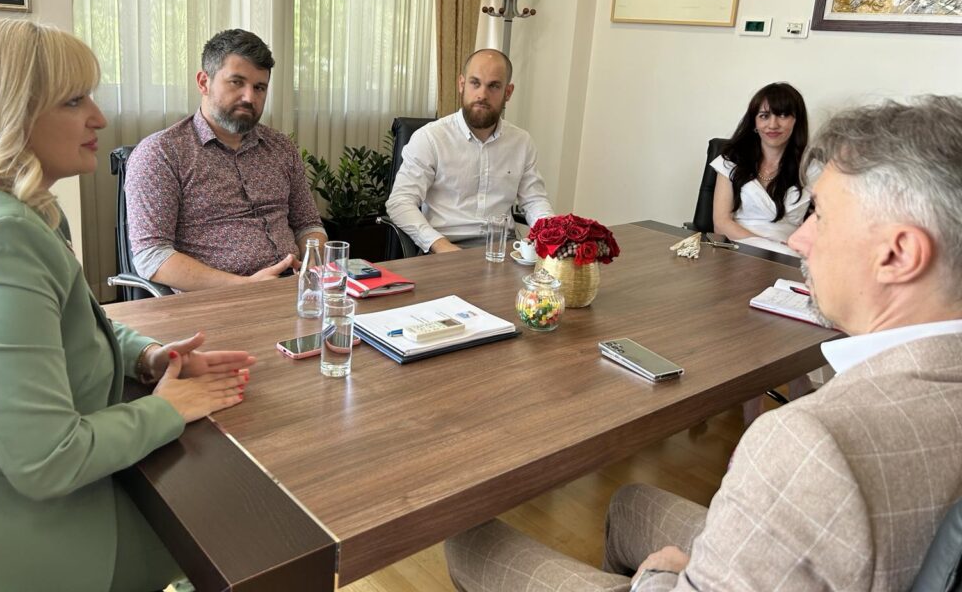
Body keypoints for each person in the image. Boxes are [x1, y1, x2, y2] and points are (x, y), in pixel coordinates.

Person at [445, 95, 962, 592]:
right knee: (631, 505)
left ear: (899, 255)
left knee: (468, 540)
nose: (799, 239)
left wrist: (661, 575)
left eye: (821, 216)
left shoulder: (809, 442)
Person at [0, 18, 255, 591]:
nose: (99, 118)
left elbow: (70, 321)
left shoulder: (6, 211)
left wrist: (149, 356)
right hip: (20, 541)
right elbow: (47, 460)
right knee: (249, 525)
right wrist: (169, 407)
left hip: (27, 498)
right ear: (7, 113)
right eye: (74, 100)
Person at [125, 28, 326, 291]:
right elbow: (152, 255)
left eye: (259, 87)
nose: (249, 97)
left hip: (295, 291)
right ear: (203, 82)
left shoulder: (281, 147)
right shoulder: (161, 153)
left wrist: (312, 268)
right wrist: (246, 286)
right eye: (236, 82)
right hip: (217, 300)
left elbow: (308, 225)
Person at [385, 48, 553, 252]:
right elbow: (400, 202)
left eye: (493, 86)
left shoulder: (521, 142)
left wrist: (554, 237)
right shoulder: (430, 138)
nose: (482, 94)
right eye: (475, 83)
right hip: (445, 249)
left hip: (501, 250)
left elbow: (535, 200)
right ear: (462, 84)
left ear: (508, 92)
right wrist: (440, 245)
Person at [711, 82, 819, 252]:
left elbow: (825, 225)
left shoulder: (812, 168)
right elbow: (721, 223)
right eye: (764, 116)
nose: (773, 125)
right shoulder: (732, 160)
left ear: (796, 120)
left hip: (789, 254)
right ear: (754, 122)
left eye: (782, 115)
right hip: (738, 249)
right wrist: (768, 247)